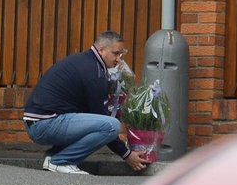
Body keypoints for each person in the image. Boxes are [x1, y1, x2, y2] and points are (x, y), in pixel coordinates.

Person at [23, 31, 151, 175]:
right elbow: (101, 118)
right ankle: (61, 161)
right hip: (45, 124)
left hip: (39, 123)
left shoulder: (87, 62)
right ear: (101, 50)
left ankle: (54, 156)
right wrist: (127, 154)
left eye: (121, 54)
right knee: (111, 125)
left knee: (100, 123)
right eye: (115, 53)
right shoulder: (94, 72)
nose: (119, 59)